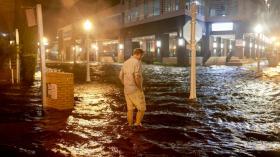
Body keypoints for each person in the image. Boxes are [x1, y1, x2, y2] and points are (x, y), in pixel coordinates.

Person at [119, 48, 146, 128]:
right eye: (142, 55)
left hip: (126, 89)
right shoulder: (137, 62)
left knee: (130, 109)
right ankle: (137, 124)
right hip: (135, 89)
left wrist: (126, 85)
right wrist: (140, 88)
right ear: (139, 54)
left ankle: (130, 125)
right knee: (142, 108)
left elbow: (120, 76)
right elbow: (137, 76)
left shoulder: (125, 62)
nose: (142, 57)